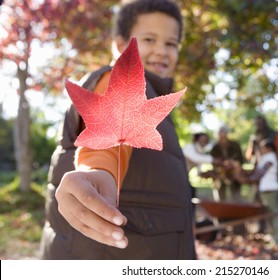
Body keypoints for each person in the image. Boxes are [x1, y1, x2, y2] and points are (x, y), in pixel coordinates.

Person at [40, 0, 196, 259]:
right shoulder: (115, 80)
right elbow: (106, 144)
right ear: (120, 44)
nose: (162, 50)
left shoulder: (156, 101)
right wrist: (97, 172)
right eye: (149, 39)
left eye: (171, 43)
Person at [232, 139, 278, 247]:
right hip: (265, 189)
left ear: (269, 149)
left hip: (270, 189)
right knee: (270, 214)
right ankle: (274, 238)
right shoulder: (265, 159)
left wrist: (242, 178)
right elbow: (254, 173)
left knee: (275, 214)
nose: (260, 150)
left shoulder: (270, 159)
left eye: (262, 148)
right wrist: (240, 171)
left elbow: (257, 176)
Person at [210, 126, 244, 201]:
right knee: (220, 192)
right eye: (220, 136)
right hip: (220, 173)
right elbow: (212, 160)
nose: (222, 138)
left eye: (224, 135)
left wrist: (233, 163)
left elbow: (240, 159)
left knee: (236, 192)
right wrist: (221, 164)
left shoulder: (235, 145)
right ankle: (221, 207)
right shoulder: (215, 147)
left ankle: (237, 207)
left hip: (234, 172)